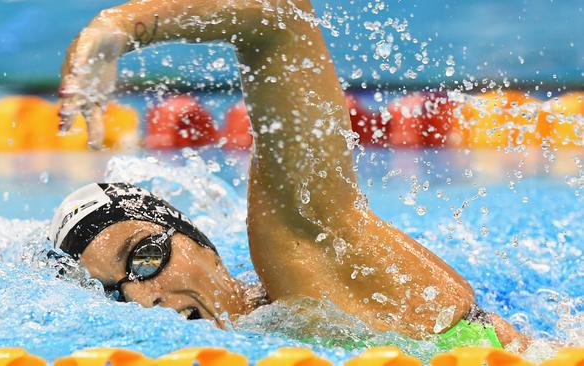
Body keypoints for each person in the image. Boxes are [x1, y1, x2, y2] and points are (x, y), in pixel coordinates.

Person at [53, 0, 528, 349]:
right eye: (112, 293)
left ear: (203, 245)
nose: (142, 298)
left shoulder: (305, 268)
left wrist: (119, 25)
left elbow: (280, 19)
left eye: (144, 257)